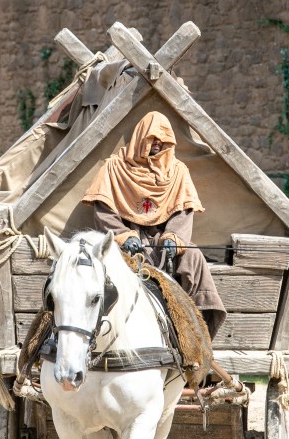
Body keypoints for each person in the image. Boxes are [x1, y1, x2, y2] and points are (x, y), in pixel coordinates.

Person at [82, 111, 226, 336]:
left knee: (193, 256)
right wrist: (123, 236)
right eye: (152, 137)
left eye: (163, 138)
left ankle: (197, 324)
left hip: (162, 239)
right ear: (140, 137)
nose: (158, 142)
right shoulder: (114, 167)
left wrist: (173, 238)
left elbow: (183, 211)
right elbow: (104, 210)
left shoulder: (177, 171)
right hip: (127, 239)